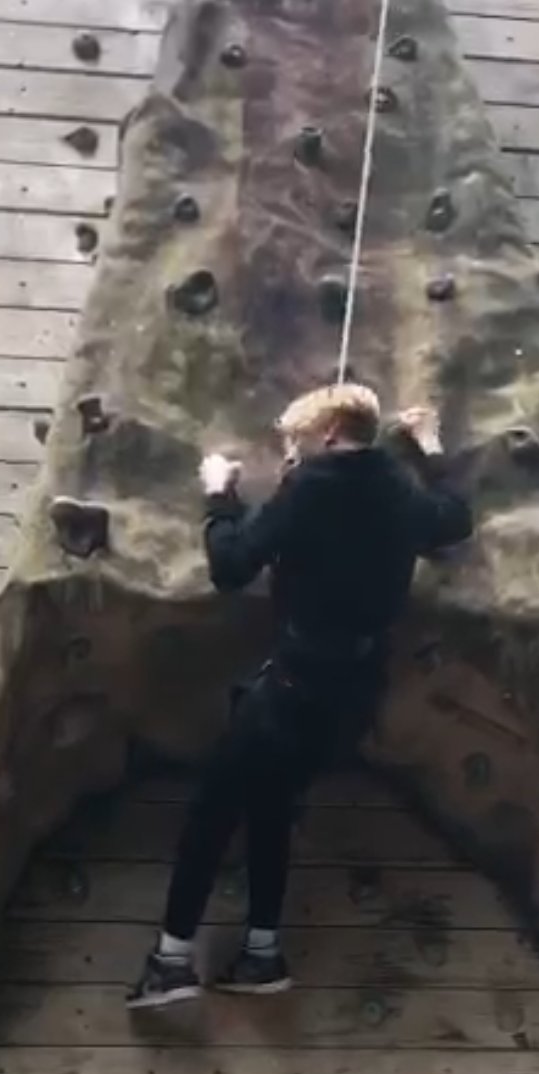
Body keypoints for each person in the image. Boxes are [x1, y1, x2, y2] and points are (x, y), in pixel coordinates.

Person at [127, 383, 473, 1008]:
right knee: (272, 804)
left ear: (331, 431)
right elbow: (454, 518)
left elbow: (231, 565)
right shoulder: (397, 487)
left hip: (294, 687)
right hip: (356, 693)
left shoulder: (309, 488)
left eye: (299, 437)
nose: (293, 447)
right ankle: (261, 954)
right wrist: (429, 446)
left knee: (213, 812)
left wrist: (219, 494)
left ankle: (171, 961)